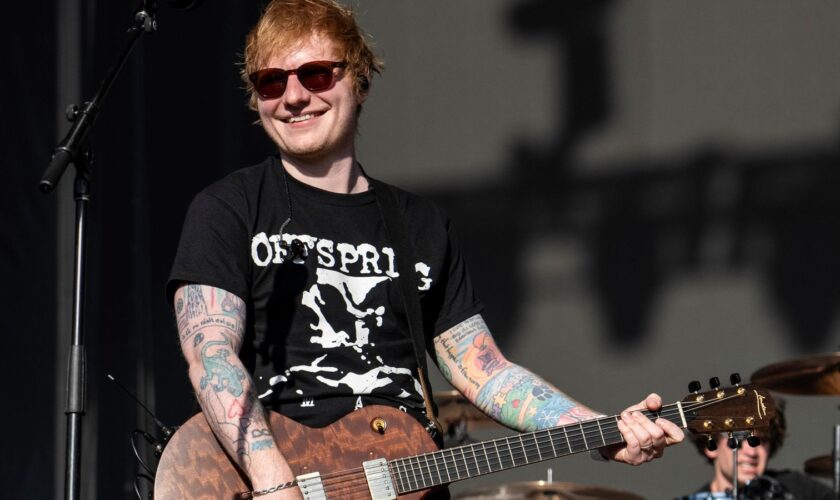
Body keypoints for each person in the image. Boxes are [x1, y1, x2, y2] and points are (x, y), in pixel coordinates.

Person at [166, 1, 684, 498]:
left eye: (317, 74)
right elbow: (211, 356)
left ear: (360, 81)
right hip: (279, 476)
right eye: (272, 82)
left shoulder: (419, 225)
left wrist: (602, 428)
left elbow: (487, 372)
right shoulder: (229, 208)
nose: (295, 97)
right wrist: (275, 480)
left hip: (407, 473)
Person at [679, 401, 833, 499]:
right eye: (740, 438)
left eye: (763, 440)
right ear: (711, 446)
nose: (752, 452)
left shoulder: (797, 488)